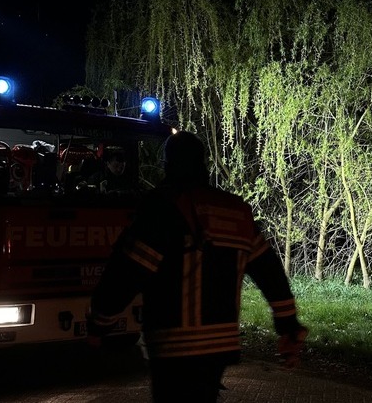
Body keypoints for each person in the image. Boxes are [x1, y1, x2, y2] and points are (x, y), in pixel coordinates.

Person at [86, 130, 308, 402]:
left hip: (173, 346)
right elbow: (271, 275)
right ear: (203, 164)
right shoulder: (236, 211)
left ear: (167, 165)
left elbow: (125, 273)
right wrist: (288, 327)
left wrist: (99, 323)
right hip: (221, 344)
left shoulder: (161, 207)